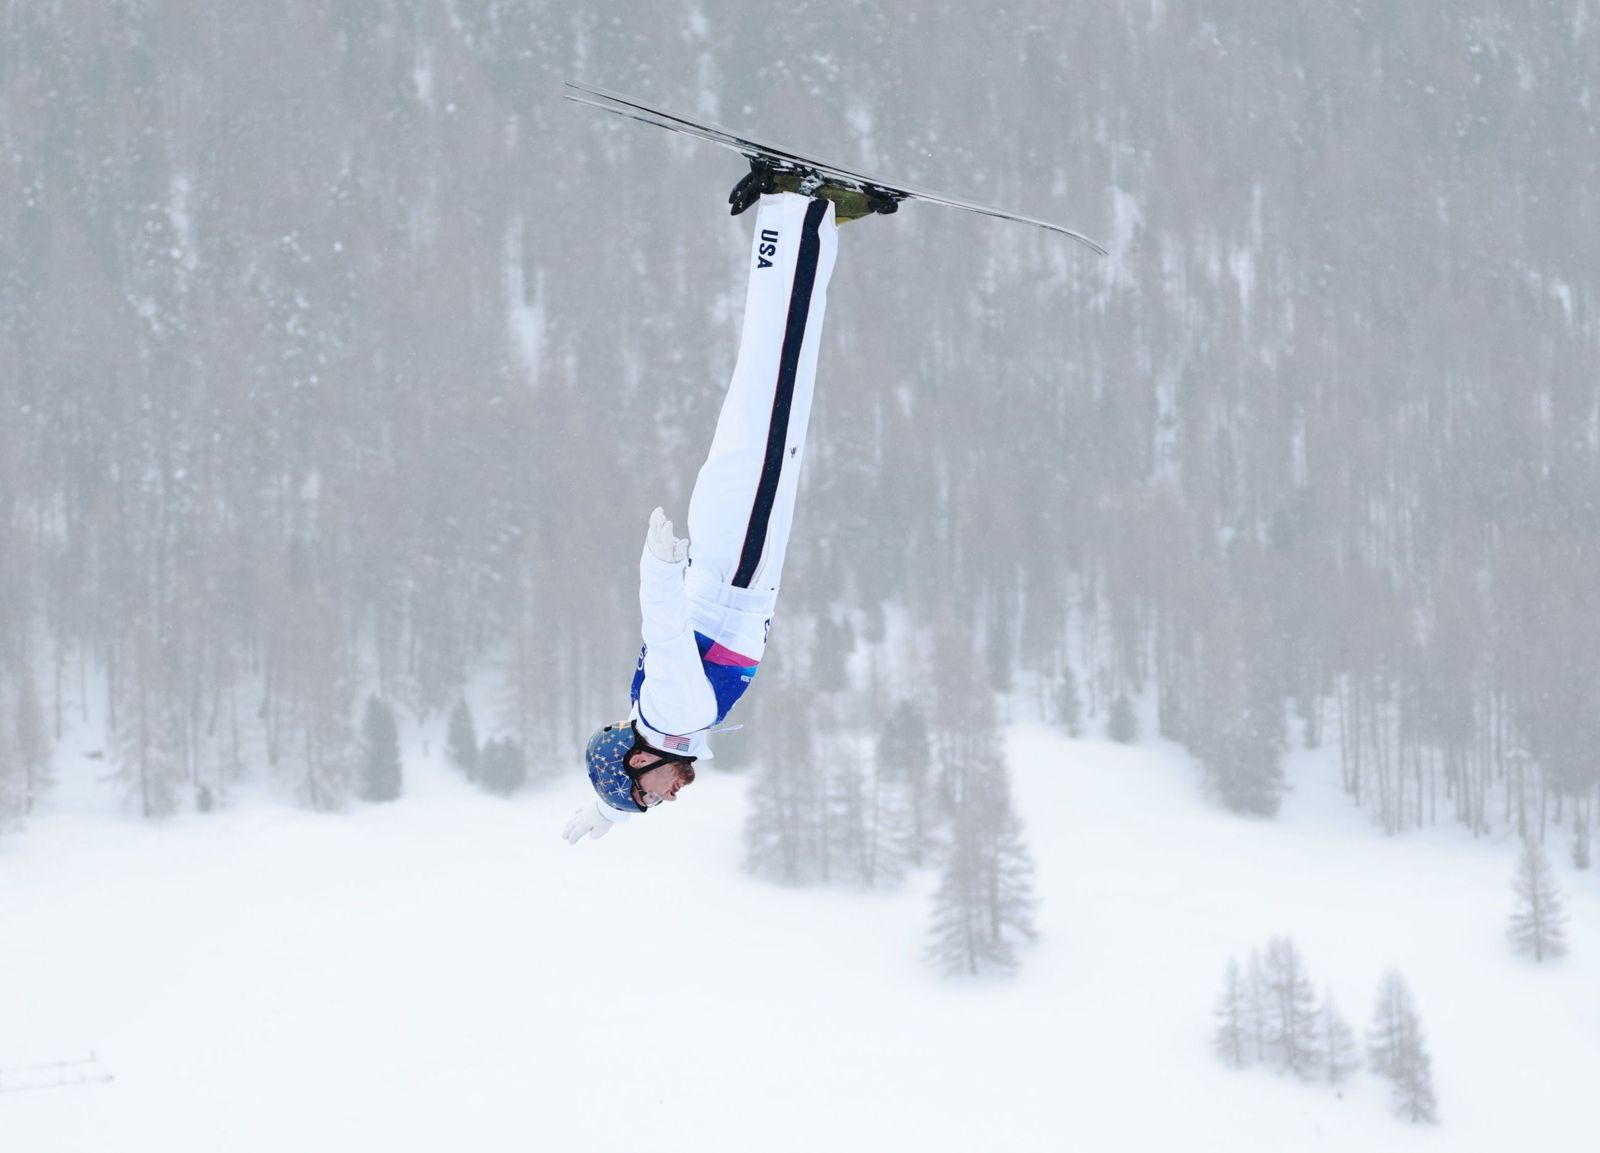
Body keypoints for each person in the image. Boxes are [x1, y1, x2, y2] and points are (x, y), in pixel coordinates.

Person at [563, 167, 893, 844]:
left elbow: (665, 630)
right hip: (724, 548)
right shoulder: (658, 716)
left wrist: (658, 568)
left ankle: (799, 212)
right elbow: (663, 662)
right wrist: (609, 809)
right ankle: (798, 225)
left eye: (648, 797)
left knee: (779, 386)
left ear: (639, 761)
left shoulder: (674, 713)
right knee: (762, 389)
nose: (668, 799)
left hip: (735, 560)